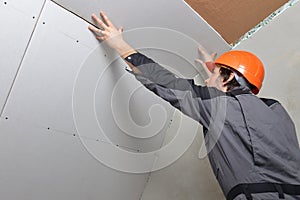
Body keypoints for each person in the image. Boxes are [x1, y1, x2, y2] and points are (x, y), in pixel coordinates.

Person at [88, 12, 300, 200]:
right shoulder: (276, 111)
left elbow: (166, 83)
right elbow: (238, 108)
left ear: (227, 80)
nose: (208, 81)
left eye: (215, 76)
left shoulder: (220, 108)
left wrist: (120, 44)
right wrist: (216, 70)